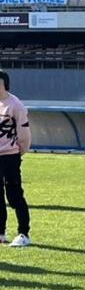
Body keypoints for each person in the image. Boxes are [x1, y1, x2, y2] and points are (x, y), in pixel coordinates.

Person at [0, 70, 32, 247]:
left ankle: (23, 233)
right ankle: (1, 232)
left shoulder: (15, 105)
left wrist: (18, 153)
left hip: (10, 157)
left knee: (14, 195)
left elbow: (24, 135)